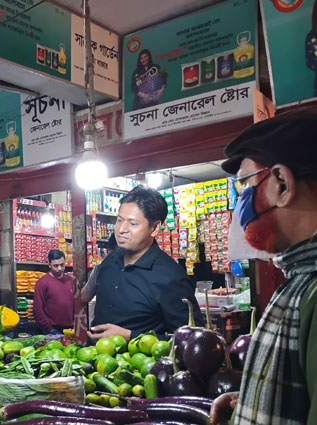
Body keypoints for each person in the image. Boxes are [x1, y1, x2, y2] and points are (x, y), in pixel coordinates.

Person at [210, 109, 317, 425]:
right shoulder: (300, 281)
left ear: (282, 183)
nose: (240, 199)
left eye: (244, 184)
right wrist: (250, 404)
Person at [86, 186, 204, 342]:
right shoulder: (109, 262)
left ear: (154, 228)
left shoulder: (171, 277)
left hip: (141, 365)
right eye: (119, 220)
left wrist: (130, 337)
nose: (121, 229)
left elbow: (193, 340)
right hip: (94, 362)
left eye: (133, 224)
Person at [33, 249, 76, 334]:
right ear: (49, 264)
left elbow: (77, 304)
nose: (59, 268)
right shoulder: (42, 283)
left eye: (62, 265)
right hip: (52, 330)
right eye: (55, 266)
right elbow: (37, 309)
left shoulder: (71, 281)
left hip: (71, 329)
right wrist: (49, 329)